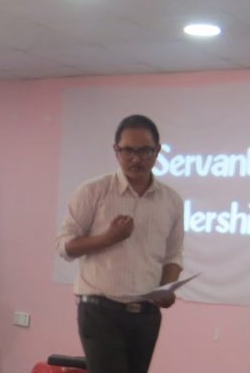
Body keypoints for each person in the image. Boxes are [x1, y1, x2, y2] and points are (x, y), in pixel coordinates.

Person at [55, 114, 184, 373]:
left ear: (157, 151)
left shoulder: (171, 200)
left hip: (146, 314)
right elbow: (64, 246)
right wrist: (109, 238)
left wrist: (166, 289)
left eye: (144, 150)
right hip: (100, 311)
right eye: (128, 151)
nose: (136, 158)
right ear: (116, 151)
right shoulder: (93, 191)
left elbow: (173, 256)